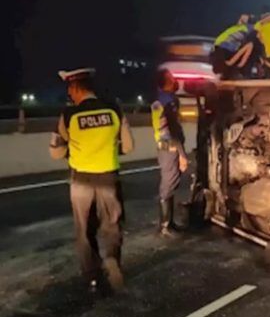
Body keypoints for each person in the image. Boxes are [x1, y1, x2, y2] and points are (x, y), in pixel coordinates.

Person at [49, 68, 134, 292]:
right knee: (112, 226)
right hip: (109, 179)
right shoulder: (114, 109)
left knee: (85, 231)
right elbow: (128, 146)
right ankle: (113, 259)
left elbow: (55, 152)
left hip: (81, 182)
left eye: (70, 87)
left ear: (76, 87)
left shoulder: (68, 115)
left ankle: (92, 278)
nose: (69, 92)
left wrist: (72, 150)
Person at [151, 69, 189, 237]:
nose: (175, 80)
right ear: (165, 82)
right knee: (168, 184)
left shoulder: (160, 99)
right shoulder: (168, 101)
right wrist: (182, 154)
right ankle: (165, 226)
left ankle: (169, 223)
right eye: (172, 78)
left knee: (171, 183)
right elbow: (172, 130)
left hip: (166, 147)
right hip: (170, 147)